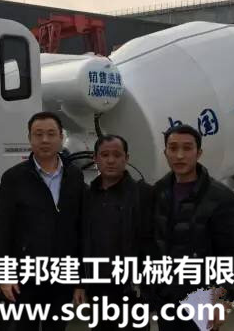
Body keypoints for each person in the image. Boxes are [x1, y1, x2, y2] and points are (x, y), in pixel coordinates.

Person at [0, 111, 85, 331]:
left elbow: (80, 229)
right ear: (30, 138)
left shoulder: (74, 176)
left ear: (61, 137)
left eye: (51, 134)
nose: (45, 140)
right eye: (38, 134)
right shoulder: (14, 178)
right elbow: (3, 229)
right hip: (26, 276)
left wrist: (80, 280)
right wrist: (4, 275)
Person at [152, 124, 234, 331]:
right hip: (166, 296)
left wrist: (224, 298)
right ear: (165, 153)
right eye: (173, 148)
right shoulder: (158, 192)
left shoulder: (220, 197)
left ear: (199, 153)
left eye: (187, 148)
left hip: (202, 297)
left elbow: (231, 254)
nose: (179, 155)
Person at [73, 134, 153, 330]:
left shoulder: (143, 194)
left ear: (127, 158)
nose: (110, 160)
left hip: (132, 291)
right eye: (105, 155)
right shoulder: (87, 196)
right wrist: (80, 283)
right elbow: (80, 242)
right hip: (97, 288)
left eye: (117, 155)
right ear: (95, 158)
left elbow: (153, 244)